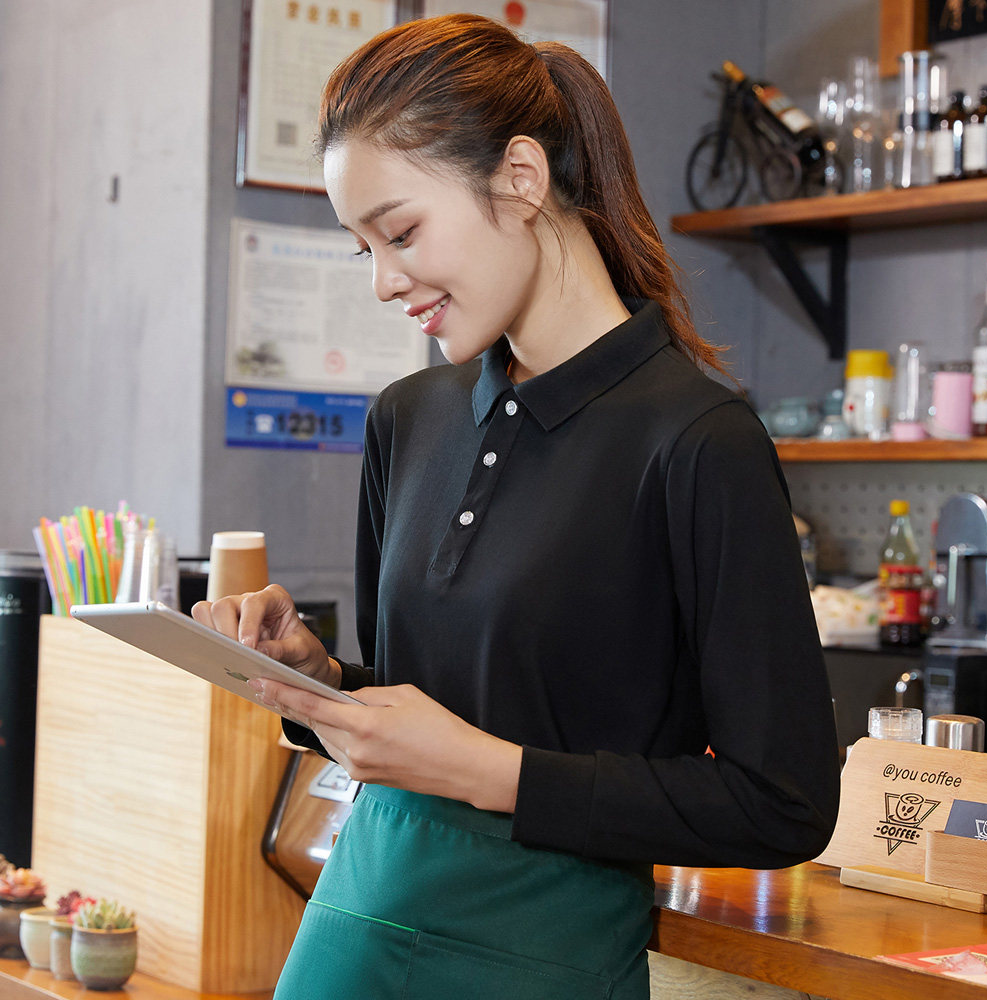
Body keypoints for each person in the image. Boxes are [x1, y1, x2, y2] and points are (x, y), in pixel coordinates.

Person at [193, 13, 840, 999]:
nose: (382, 281)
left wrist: (489, 770)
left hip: (544, 957)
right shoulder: (408, 419)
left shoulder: (696, 441)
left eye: (400, 232)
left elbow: (781, 803)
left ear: (521, 179)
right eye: (360, 247)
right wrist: (321, 680)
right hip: (354, 929)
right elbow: (435, 709)